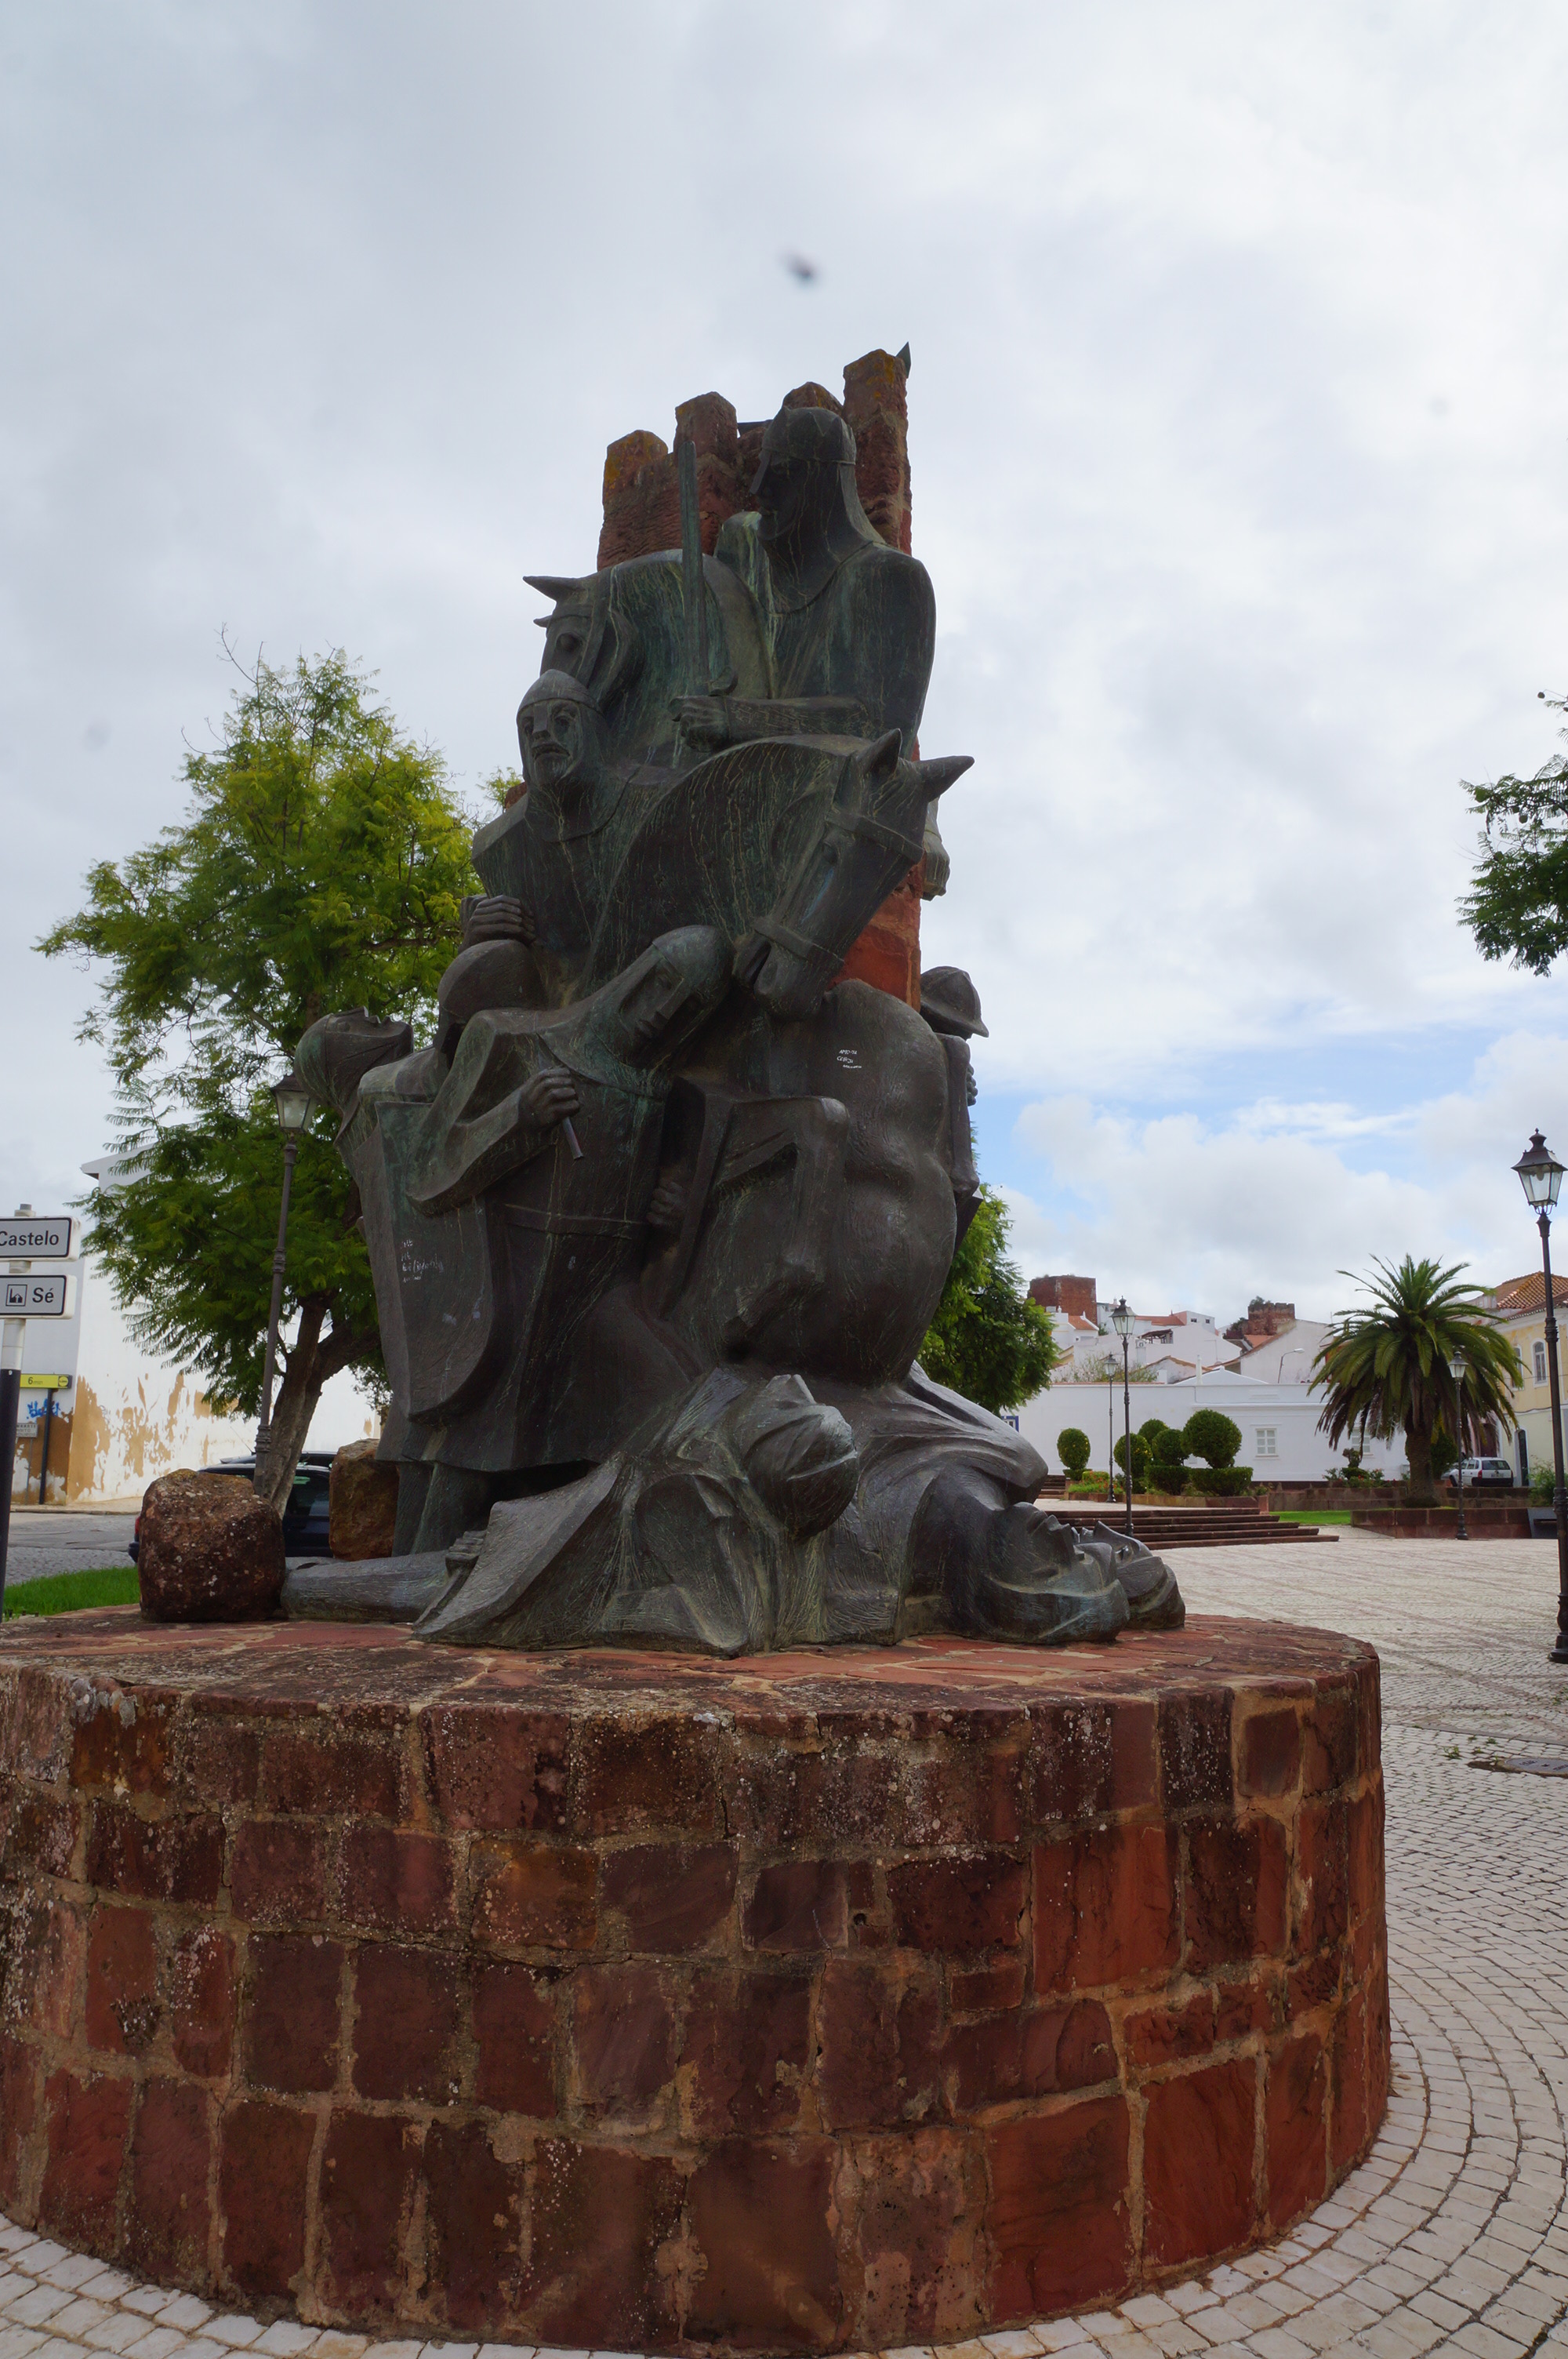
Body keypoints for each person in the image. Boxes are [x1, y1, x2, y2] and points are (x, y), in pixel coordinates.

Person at [671, 405, 949, 892]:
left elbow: (880, 728)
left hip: (818, 835)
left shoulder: (891, 580)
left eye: (780, 474)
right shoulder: (743, 545)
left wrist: (737, 719)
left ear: (822, 482)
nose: (760, 487)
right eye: (761, 468)